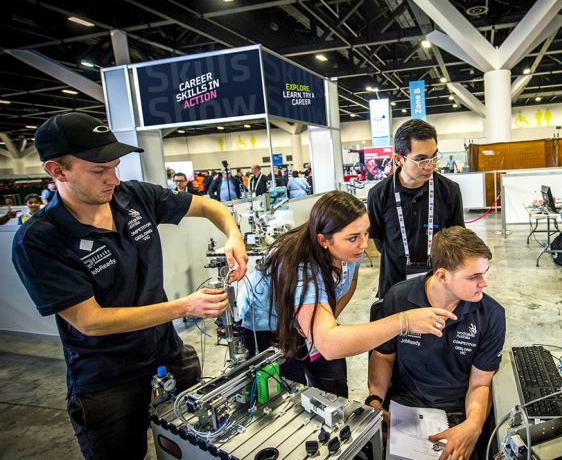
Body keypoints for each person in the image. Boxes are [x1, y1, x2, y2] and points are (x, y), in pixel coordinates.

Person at [11, 112, 248, 460]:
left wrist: (233, 235)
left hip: (167, 354)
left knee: (194, 445)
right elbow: (91, 321)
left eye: (115, 166)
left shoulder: (133, 197)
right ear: (56, 171)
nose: (113, 179)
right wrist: (185, 307)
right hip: (107, 380)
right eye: (99, 170)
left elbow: (209, 206)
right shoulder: (40, 240)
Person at [237, 191, 456, 397]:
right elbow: (330, 345)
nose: (363, 244)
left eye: (366, 232)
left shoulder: (349, 251)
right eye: (353, 238)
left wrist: (326, 318)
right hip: (268, 329)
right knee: (290, 393)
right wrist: (404, 321)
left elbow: (350, 282)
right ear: (323, 240)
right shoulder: (302, 268)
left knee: (335, 384)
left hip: (306, 322)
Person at [367, 227, 505, 460]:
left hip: (458, 410)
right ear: (442, 275)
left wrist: (473, 425)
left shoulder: (491, 314)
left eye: (485, 273)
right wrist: (375, 399)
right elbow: (383, 356)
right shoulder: (399, 298)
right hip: (404, 408)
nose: (484, 283)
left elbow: (480, 384)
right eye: (474, 277)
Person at [367, 119, 465, 298]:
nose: (430, 166)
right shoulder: (378, 195)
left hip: (438, 279)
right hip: (394, 279)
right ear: (399, 159)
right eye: (421, 160)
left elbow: (456, 237)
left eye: (434, 157)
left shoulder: (449, 191)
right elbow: (380, 240)